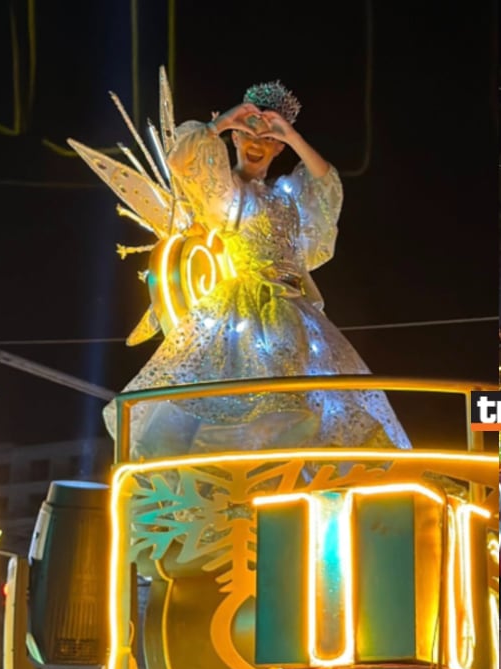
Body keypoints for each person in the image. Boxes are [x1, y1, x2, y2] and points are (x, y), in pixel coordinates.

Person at [105, 80, 411, 459]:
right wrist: (228, 119)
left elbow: (327, 186)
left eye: (267, 138)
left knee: (317, 404)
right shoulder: (227, 192)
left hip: (295, 311)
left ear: (278, 146)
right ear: (235, 138)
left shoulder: (287, 197)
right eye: (248, 134)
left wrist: (293, 136)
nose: (256, 143)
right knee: (233, 398)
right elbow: (183, 157)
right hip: (241, 310)